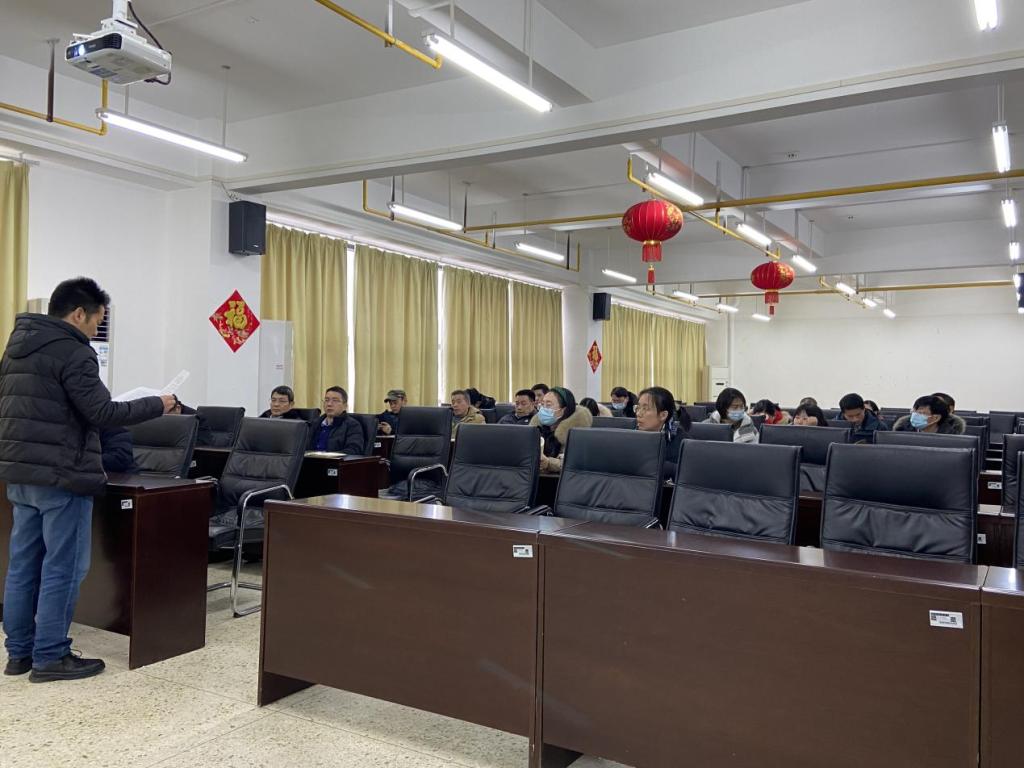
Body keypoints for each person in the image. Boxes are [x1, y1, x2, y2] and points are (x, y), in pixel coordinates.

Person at [0, 277, 174, 682]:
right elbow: (103, 413)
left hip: (20, 475)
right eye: (97, 320)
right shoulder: (73, 351)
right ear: (79, 314)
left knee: (22, 565)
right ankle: (50, 655)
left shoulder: (16, 348)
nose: (97, 329)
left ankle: (19, 653)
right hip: (63, 477)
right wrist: (157, 404)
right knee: (63, 568)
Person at [530, 386, 592, 473]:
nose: (543, 409)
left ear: (564, 410)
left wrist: (549, 463)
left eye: (548, 405)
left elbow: (575, 463)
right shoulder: (537, 427)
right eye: (542, 404)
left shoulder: (576, 433)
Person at [636, 386, 692, 481]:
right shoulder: (631, 437)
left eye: (645, 409)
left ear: (663, 415)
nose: (638, 413)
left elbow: (689, 476)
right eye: (638, 408)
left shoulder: (683, 443)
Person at [310, 387, 364, 454]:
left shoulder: (352, 425)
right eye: (326, 400)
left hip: (335, 460)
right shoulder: (315, 424)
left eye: (335, 400)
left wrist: (330, 456)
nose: (329, 404)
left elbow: (354, 450)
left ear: (345, 406)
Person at [893, 395, 964, 435]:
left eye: (920, 413)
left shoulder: (951, 437)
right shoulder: (902, 432)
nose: (914, 416)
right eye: (913, 412)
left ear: (936, 418)